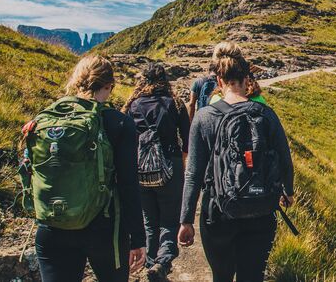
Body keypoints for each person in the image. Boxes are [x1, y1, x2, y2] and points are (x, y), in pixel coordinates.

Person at [178, 42, 295, 282]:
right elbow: (284, 158)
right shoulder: (266, 114)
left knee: (222, 276)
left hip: (218, 212)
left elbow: (194, 173)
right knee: (252, 277)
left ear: (219, 81)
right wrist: (288, 191)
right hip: (261, 208)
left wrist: (186, 219)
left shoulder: (203, 118)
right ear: (246, 78)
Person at [26, 55, 146, 281]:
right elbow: (128, 185)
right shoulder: (119, 122)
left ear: (77, 80)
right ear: (109, 85)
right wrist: (138, 239)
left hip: (52, 226)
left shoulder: (46, 118)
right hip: (104, 229)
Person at [122, 63, 190, 280]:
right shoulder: (175, 104)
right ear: (164, 80)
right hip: (171, 164)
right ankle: (163, 261)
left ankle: (152, 263)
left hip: (140, 169)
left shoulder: (132, 106)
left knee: (150, 221)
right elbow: (187, 142)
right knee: (170, 220)